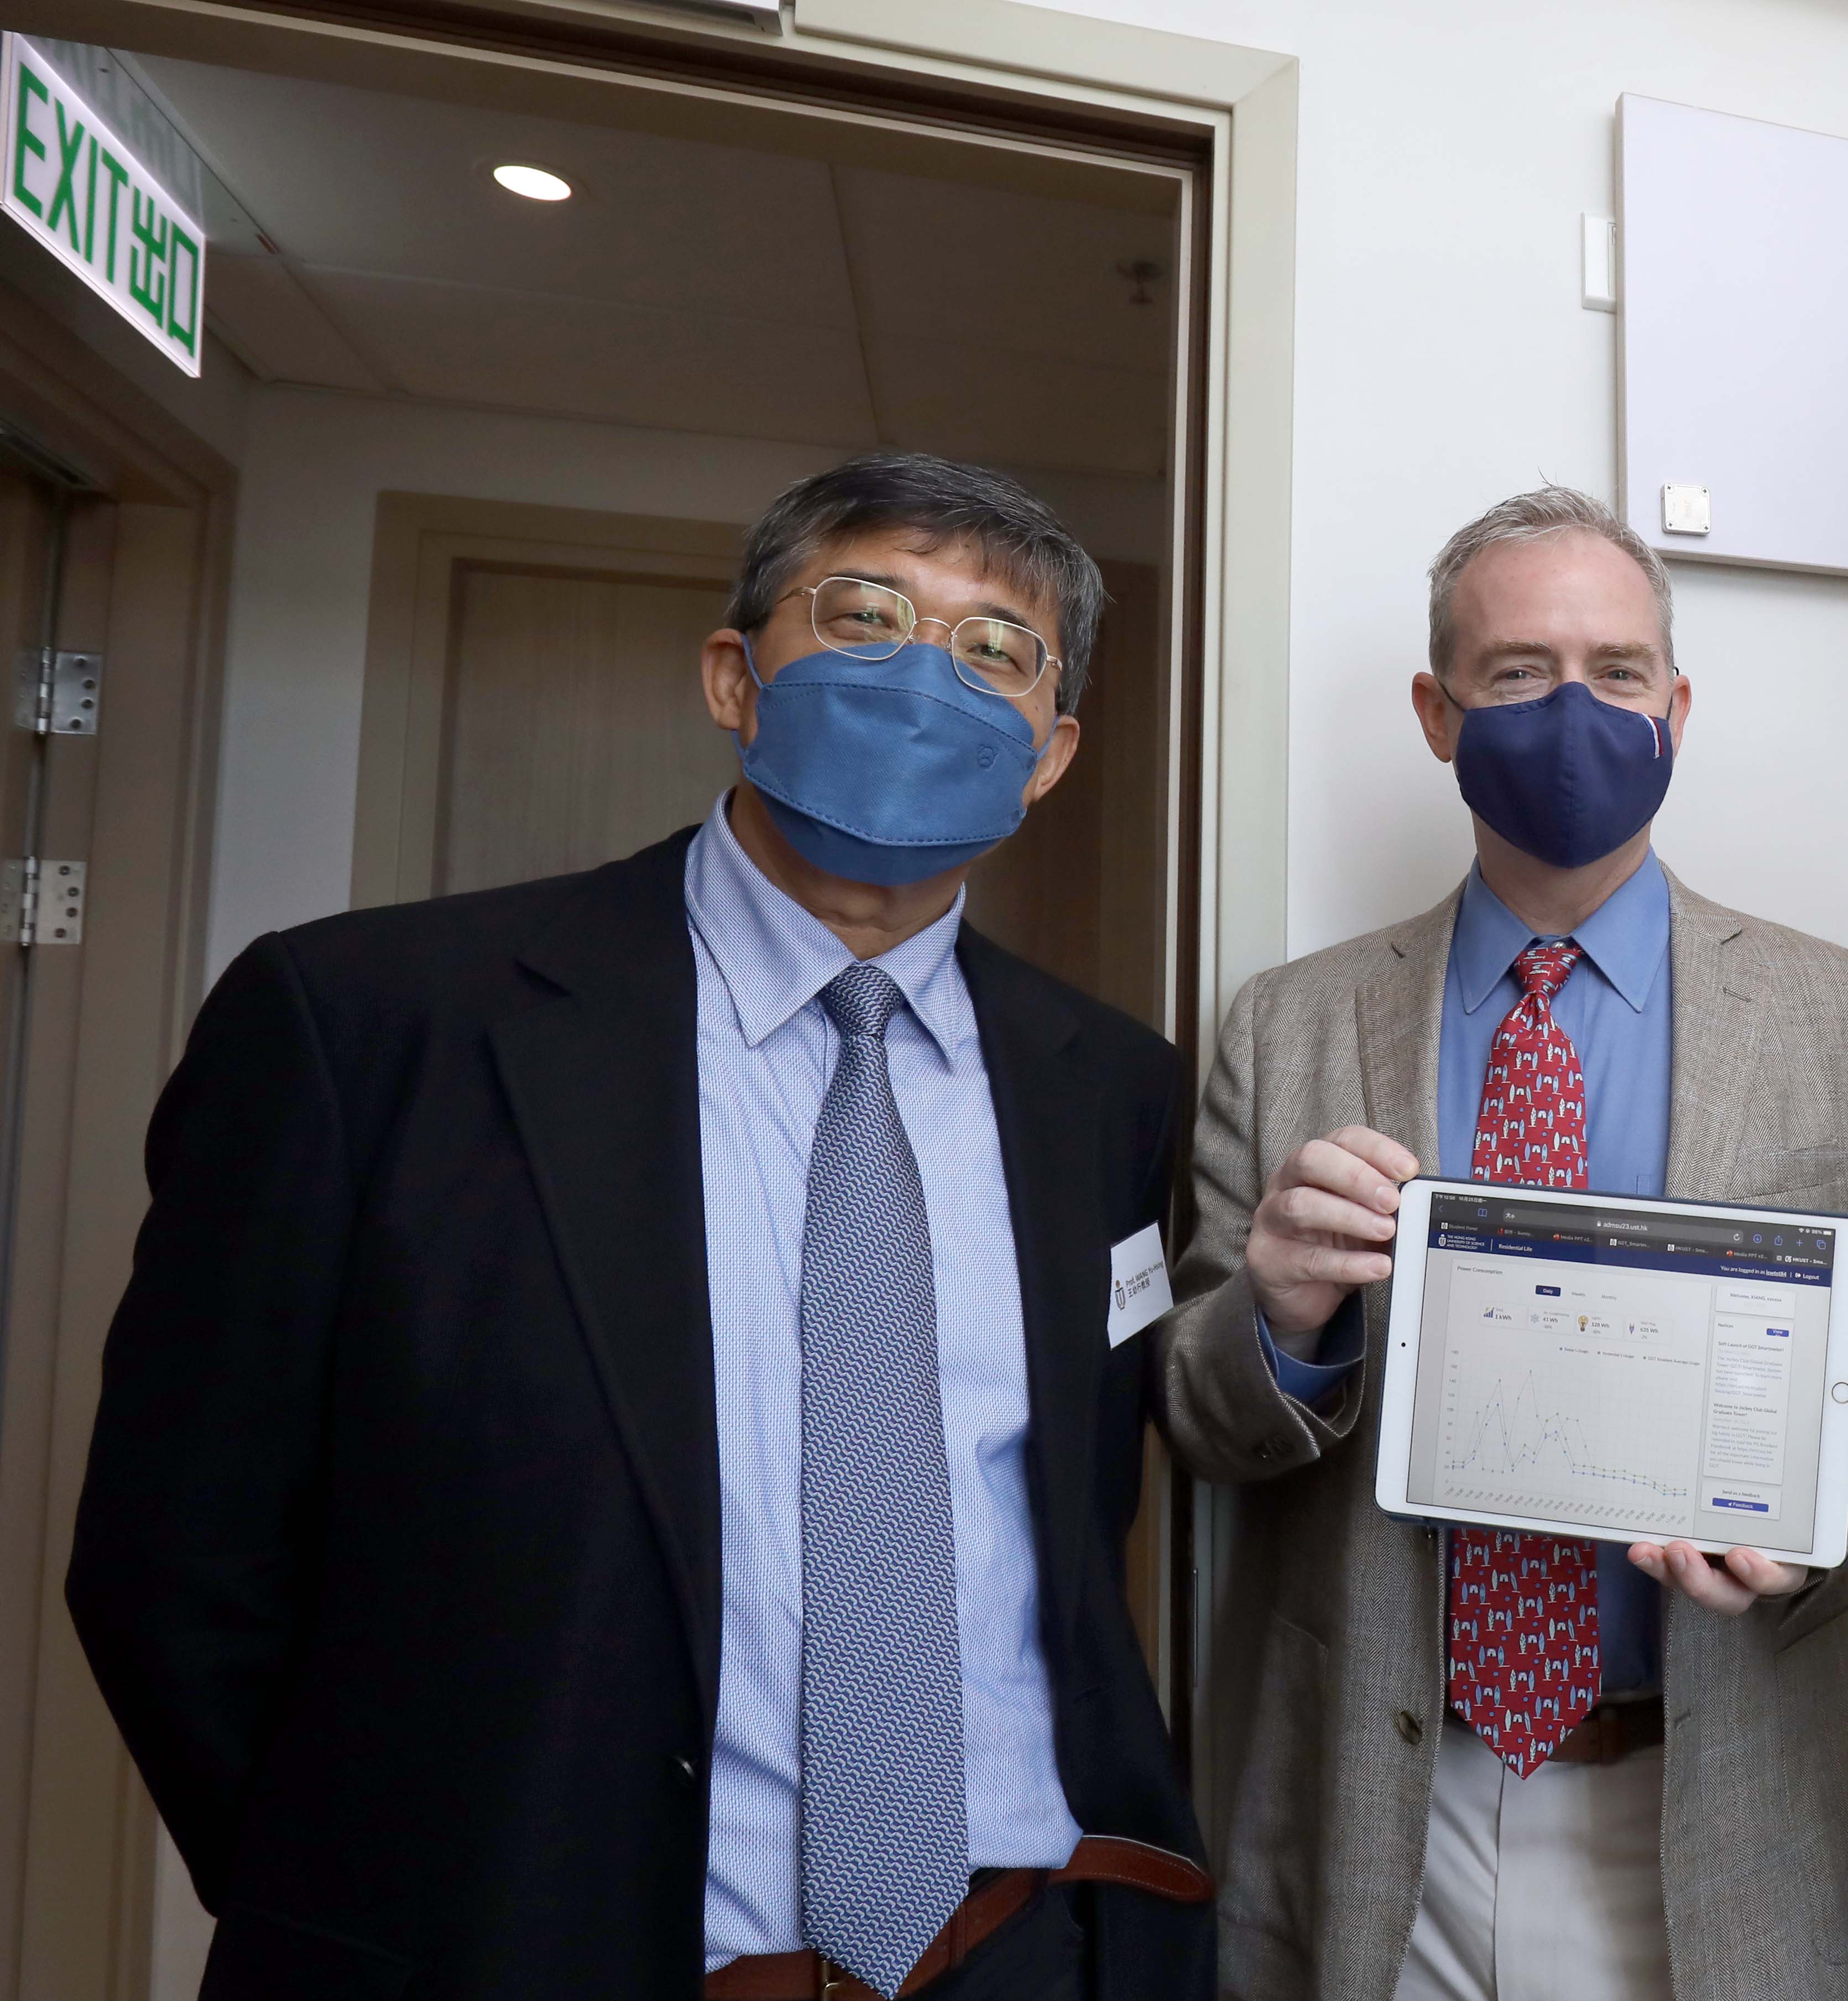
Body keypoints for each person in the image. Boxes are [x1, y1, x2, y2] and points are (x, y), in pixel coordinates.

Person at [69, 452, 1213, 2001]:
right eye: (865, 616)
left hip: (1017, 1952)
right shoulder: (369, 1022)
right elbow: (172, 1559)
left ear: (1050, 754)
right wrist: (363, 1911)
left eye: (994, 649)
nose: (923, 679)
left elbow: (1068, 1532)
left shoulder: (1110, 1088)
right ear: (735, 677)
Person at [1153, 485, 1848, 2001]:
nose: (1575, 711)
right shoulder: (1286, 1024)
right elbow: (1199, 1413)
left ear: (1676, 708)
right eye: (1520, 673)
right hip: (1379, 1804)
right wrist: (1277, 1315)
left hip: (1722, 1800)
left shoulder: (1843, 1014)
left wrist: (1817, 1469)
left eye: (1616, 670)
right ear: (1437, 713)